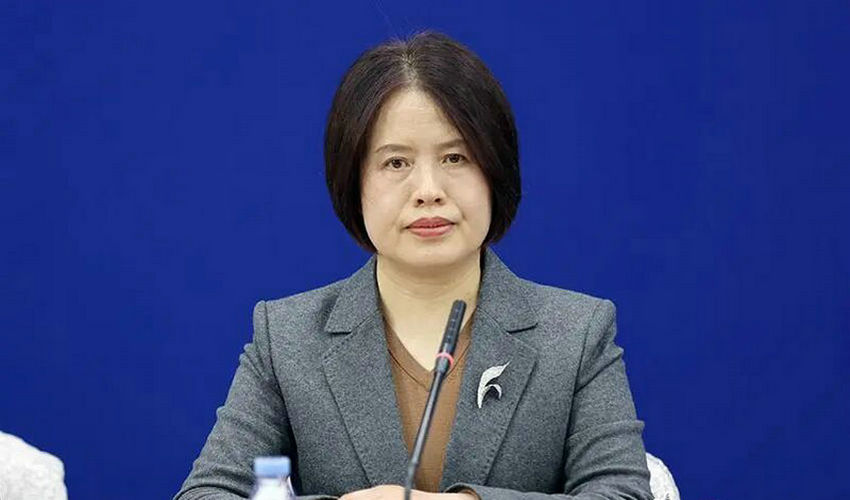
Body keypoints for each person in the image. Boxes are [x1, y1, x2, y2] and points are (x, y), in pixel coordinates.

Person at [174, 30, 652, 500]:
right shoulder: (288, 338)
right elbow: (205, 494)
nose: (428, 190)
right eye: (396, 163)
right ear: (353, 183)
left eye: (455, 157)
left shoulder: (576, 334)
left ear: (496, 172)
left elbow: (623, 493)